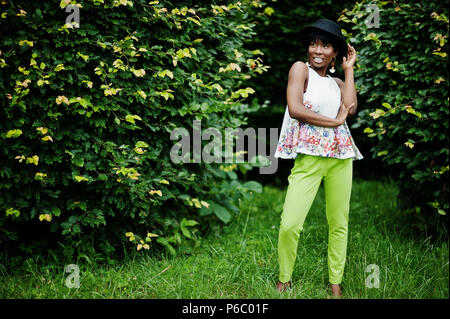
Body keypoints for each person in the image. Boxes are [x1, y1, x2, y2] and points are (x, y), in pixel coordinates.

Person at [274, 18, 363, 298]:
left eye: (325, 45)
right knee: (290, 223)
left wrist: (349, 71)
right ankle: (284, 279)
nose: (317, 50)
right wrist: (332, 122)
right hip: (309, 157)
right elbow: (296, 108)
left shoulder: (337, 82)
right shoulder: (301, 70)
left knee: (339, 222)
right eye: (314, 43)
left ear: (335, 52)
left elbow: (349, 108)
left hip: (340, 156)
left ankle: (335, 283)